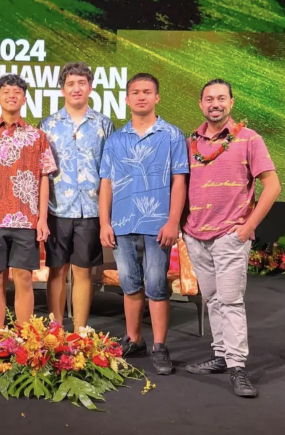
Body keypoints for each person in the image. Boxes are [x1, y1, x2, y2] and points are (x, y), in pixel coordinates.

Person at [183, 79, 281, 397]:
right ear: (200, 104)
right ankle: (221, 355)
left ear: (231, 102)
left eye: (221, 98)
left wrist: (246, 227)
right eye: (209, 99)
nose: (215, 103)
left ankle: (237, 367)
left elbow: (273, 185)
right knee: (212, 299)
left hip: (230, 233)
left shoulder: (249, 139)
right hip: (196, 234)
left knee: (230, 300)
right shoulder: (191, 143)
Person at [99, 73, 188, 375]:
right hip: (122, 223)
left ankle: (159, 346)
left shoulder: (172, 135)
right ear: (126, 99)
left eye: (147, 92)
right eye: (135, 92)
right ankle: (133, 338)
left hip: (158, 225)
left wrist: (173, 221)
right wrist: (104, 223)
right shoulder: (115, 139)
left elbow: (179, 181)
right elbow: (107, 183)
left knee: (156, 285)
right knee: (130, 285)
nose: (141, 96)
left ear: (157, 97)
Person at [0, 74, 57, 328]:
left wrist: (42, 219)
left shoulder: (37, 136)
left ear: (24, 98)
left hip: (26, 219)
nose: (11, 95)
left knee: (24, 278)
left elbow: (44, 177)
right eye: (6, 91)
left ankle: (24, 339)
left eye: (17, 91)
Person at [38, 62, 114, 331]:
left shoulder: (104, 124)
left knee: (83, 272)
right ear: (62, 90)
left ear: (90, 88)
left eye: (82, 83)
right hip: (56, 209)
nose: (76, 88)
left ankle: (81, 332)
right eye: (70, 84)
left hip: (90, 210)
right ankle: (55, 331)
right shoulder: (48, 125)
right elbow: (41, 173)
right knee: (57, 270)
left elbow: (108, 172)